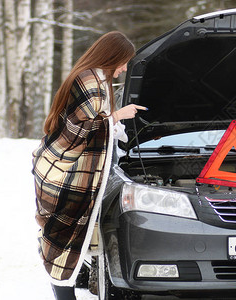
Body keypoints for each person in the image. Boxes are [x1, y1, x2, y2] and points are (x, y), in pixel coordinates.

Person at [32, 31, 146, 299]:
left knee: (68, 239)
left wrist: (115, 125)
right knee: (65, 239)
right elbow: (75, 131)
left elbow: (93, 124)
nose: (125, 69)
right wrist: (117, 116)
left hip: (75, 173)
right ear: (112, 56)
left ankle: (71, 286)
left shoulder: (96, 78)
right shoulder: (90, 80)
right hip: (68, 174)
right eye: (124, 62)